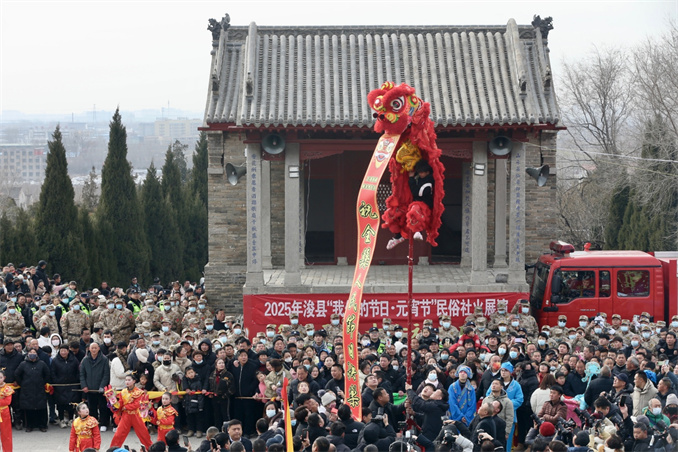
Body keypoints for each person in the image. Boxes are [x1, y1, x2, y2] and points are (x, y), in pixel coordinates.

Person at [108, 373, 153, 450]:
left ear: (134, 381)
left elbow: (137, 404)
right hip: (126, 416)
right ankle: (113, 450)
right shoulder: (123, 392)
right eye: (126, 380)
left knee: (144, 434)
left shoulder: (139, 392)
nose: (127, 382)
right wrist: (114, 402)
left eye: (129, 380)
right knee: (119, 434)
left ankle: (150, 449)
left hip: (136, 415)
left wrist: (126, 407)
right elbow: (120, 404)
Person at [14, 347, 50, 432]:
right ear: (27, 354)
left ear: (37, 354)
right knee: (28, 408)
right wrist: (22, 383)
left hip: (39, 389)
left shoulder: (42, 363)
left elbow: (47, 374)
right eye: (31, 352)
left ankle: (42, 425)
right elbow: (17, 374)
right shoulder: (23, 364)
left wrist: (43, 382)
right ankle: (29, 425)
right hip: (27, 389)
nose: (32, 354)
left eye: (34, 353)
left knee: (41, 407)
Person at [80, 342, 111, 430]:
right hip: (90, 388)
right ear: (89, 349)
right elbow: (82, 374)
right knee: (91, 407)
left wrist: (102, 386)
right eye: (92, 348)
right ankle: (93, 423)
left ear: (99, 348)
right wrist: (84, 386)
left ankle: (104, 423)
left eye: (95, 348)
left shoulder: (104, 359)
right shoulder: (85, 360)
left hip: (100, 389)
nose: (94, 350)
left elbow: (106, 374)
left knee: (102, 406)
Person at [0, 370, 14, 452]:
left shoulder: (7, 389)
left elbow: (7, 402)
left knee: (6, 434)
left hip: (4, 413)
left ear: (4, 378)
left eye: (0, 377)